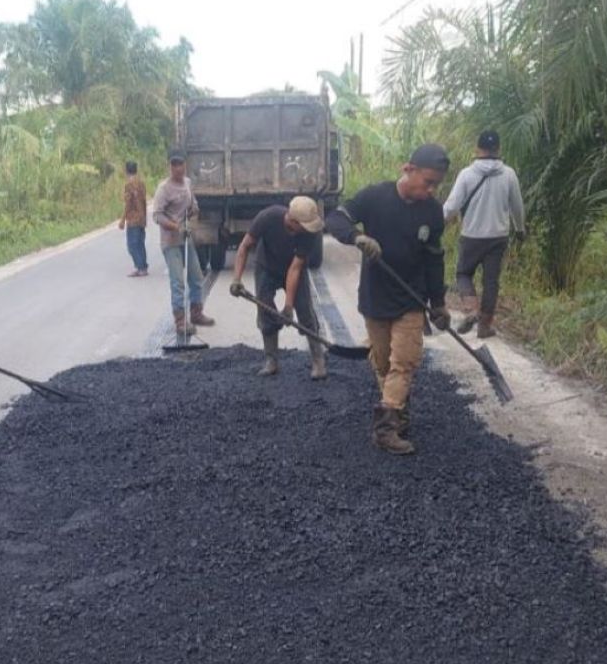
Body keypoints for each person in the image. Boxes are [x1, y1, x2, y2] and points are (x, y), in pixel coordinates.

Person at [326, 144, 452, 456]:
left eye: (437, 184)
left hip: (411, 298)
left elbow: (435, 258)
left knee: (405, 361)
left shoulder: (433, 213)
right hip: (376, 295)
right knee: (382, 363)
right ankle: (398, 411)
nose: (431, 189)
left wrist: (437, 302)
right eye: (428, 182)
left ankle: (384, 430)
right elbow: (336, 219)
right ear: (407, 169)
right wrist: (357, 237)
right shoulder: (375, 197)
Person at [229, 196, 327, 379]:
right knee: (265, 310)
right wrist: (237, 279)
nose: (308, 229)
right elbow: (244, 247)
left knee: (305, 312)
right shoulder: (268, 217)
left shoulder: (309, 234)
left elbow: (295, 268)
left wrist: (289, 306)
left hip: (293, 268)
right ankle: (271, 360)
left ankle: (318, 359)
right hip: (266, 265)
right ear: (293, 221)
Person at [442, 130, 525, 338]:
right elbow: (517, 207)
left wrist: (438, 222)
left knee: (463, 274)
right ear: (498, 149)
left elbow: (451, 207)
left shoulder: (466, 174)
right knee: (491, 282)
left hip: (471, 236)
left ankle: (471, 309)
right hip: (498, 237)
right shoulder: (509, 174)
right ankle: (485, 327)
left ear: (477, 149)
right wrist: (520, 228)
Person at [152, 149, 214, 335]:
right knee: (178, 281)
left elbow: (192, 204)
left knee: (196, 277)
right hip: (171, 242)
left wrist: (193, 211)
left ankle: (196, 313)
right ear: (170, 166)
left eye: (181, 164)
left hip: (186, 240)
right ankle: (180, 321)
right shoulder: (164, 189)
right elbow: (157, 216)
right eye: (174, 165)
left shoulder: (187, 183)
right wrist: (175, 226)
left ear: (185, 165)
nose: (178, 168)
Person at [119, 160, 149, 277]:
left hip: (133, 219)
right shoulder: (141, 183)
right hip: (141, 218)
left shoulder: (129, 185)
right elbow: (144, 201)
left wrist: (122, 219)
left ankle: (140, 267)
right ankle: (143, 266)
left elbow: (128, 203)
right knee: (140, 243)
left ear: (126, 170)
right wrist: (145, 217)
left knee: (132, 245)